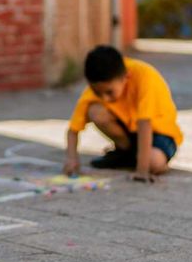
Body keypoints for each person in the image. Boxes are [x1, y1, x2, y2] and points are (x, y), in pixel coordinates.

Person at [64, 45, 184, 183]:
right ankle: (128, 154)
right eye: (98, 93)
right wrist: (72, 159)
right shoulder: (97, 85)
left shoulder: (145, 76)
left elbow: (145, 123)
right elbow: (73, 130)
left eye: (109, 92)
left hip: (159, 133)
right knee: (95, 111)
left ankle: (134, 158)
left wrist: (142, 170)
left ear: (125, 78)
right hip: (131, 134)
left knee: (153, 163)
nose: (104, 98)